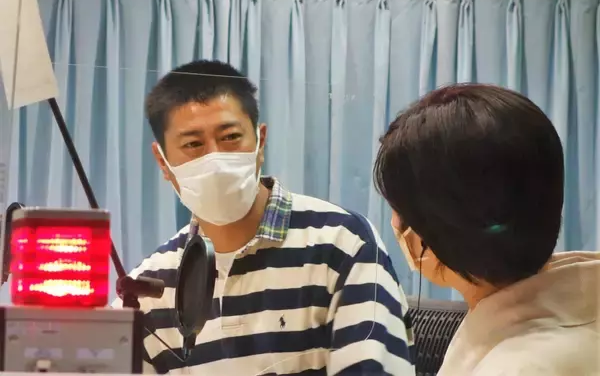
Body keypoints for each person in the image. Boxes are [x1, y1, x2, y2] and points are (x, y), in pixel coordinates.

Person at [113, 60, 414, 375]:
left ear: (260, 141)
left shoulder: (343, 245)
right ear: (162, 162)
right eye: (193, 144)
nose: (216, 158)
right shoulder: (151, 288)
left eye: (230, 137)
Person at [374, 83, 600, 376]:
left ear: (431, 234)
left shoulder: (519, 366)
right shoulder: (577, 309)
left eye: (399, 209)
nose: (394, 222)